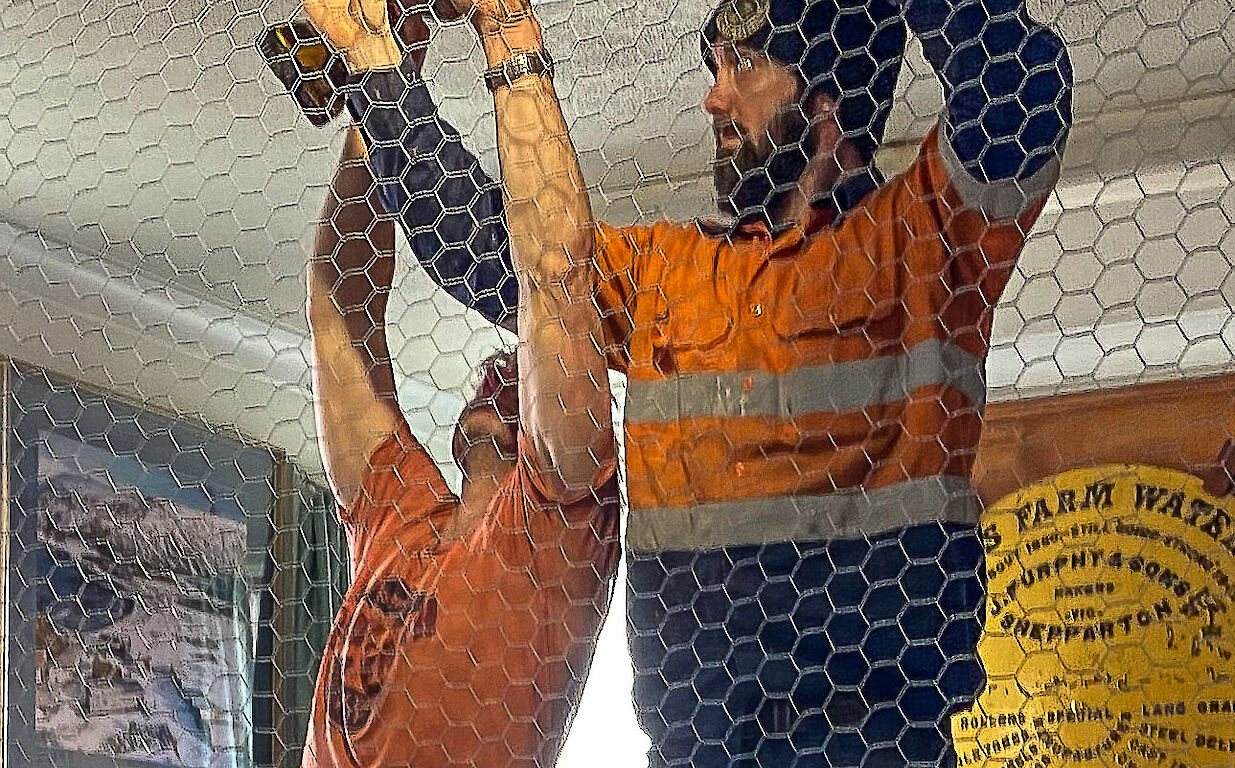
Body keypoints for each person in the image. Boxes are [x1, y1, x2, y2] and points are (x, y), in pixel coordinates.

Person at [301, 0, 1072, 761]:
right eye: (715, 68)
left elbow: (1022, 89)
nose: (715, 96)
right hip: (692, 750)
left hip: (876, 746)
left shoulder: (925, 236)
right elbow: (485, 249)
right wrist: (381, 77)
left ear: (827, 93)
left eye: (744, 64)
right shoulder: (670, 275)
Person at [299, 1, 620, 754]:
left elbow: (556, 287)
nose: (500, 367)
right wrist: (388, 62)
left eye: (520, 367)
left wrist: (504, 27)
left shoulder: (559, 536)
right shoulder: (404, 524)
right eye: (500, 365)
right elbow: (339, 301)